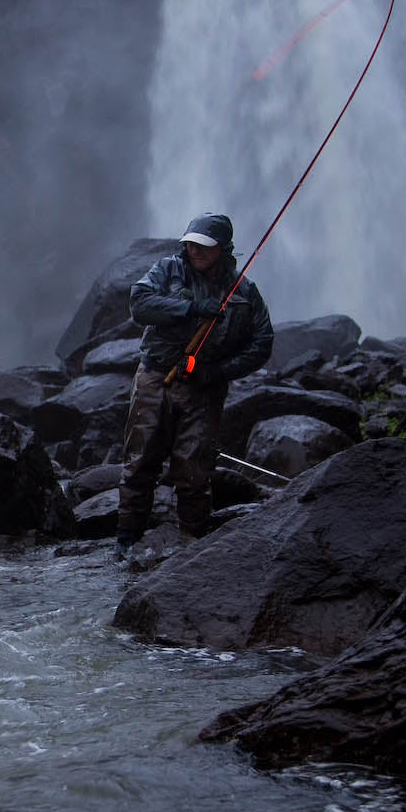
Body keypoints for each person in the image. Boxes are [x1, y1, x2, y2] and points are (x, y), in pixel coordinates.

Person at [116, 212, 273, 558]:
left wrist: (217, 372)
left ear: (223, 248)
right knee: (140, 460)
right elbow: (139, 304)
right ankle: (126, 542)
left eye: (203, 246)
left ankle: (193, 546)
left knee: (194, 468)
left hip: (204, 388)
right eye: (190, 243)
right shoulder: (168, 269)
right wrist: (189, 309)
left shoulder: (244, 291)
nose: (194, 250)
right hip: (156, 378)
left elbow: (262, 343)